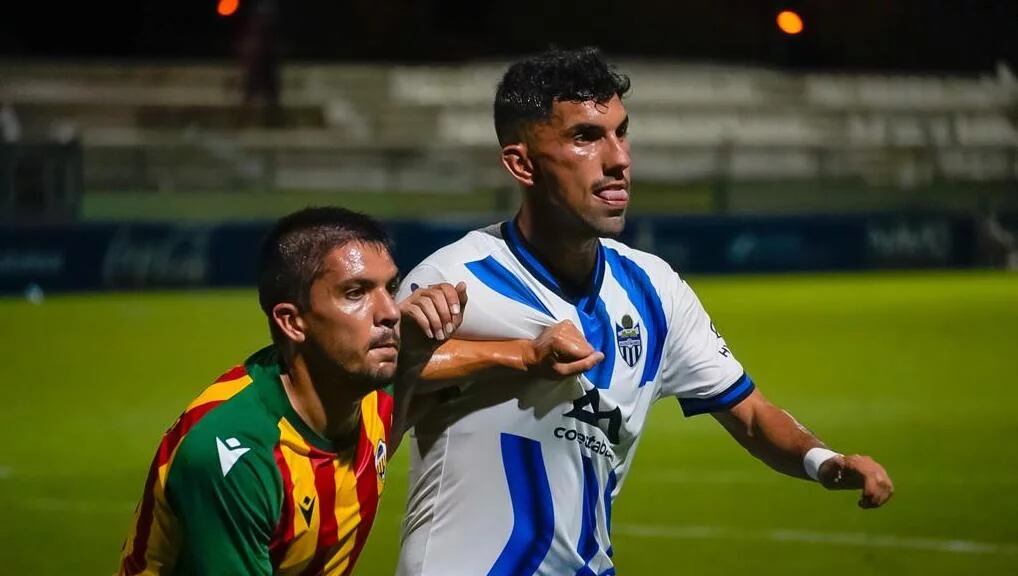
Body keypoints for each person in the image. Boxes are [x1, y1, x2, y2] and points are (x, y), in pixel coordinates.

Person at [395, 48, 894, 576]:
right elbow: (374, 420)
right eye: (586, 137)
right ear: (521, 163)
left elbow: (749, 414)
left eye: (621, 132)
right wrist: (510, 357)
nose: (619, 159)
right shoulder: (451, 280)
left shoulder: (654, 289)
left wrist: (823, 462)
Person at [116, 207, 600, 575]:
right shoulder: (234, 457)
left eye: (389, 288)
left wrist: (524, 354)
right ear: (292, 321)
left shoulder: (363, 396)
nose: (389, 311)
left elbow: (417, 371)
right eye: (355, 293)